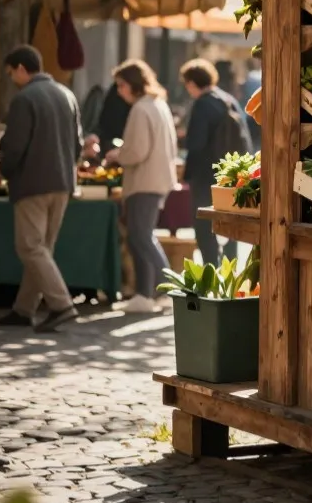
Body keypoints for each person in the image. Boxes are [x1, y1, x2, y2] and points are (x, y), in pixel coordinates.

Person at [0, 45, 82, 332]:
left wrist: (4, 169)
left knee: (31, 248)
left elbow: (15, 147)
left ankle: (62, 305)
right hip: (63, 183)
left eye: (10, 73)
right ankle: (24, 309)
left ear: (21, 68)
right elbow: (78, 145)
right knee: (42, 249)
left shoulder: (24, 99)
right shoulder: (66, 94)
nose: (12, 78)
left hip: (33, 183)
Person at [104, 60, 178, 315]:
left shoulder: (141, 109)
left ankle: (170, 290)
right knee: (141, 236)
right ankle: (146, 294)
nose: (119, 91)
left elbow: (136, 151)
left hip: (144, 181)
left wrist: (117, 154)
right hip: (156, 179)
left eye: (121, 85)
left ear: (133, 84)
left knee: (141, 237)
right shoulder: (158, 105)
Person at [181, 58, 252, 265]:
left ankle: (211, 271)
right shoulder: (229, 99)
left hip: (205, 176)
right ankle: (230, 271)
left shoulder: (202, 104)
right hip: (231, 174)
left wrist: (187, 174)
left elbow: (195, 144)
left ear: (192, 83)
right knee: (231, 225)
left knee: (204, 228)